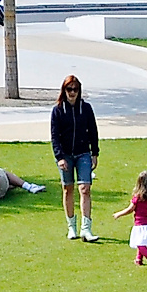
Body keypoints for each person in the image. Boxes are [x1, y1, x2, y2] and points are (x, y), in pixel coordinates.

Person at [51, 75, 101, 241]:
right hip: (65, 155)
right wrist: (59, 157)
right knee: (68, 188)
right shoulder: (57, 110)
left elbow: (93, 131)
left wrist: (95, 153)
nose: (72, 93)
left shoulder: (85, 108)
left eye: (75, 89)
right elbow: (55, 136)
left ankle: (86, 228)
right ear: (64, 90)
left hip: (83, 153)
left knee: (85, 189)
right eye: (69, 89)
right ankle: (71, 227)